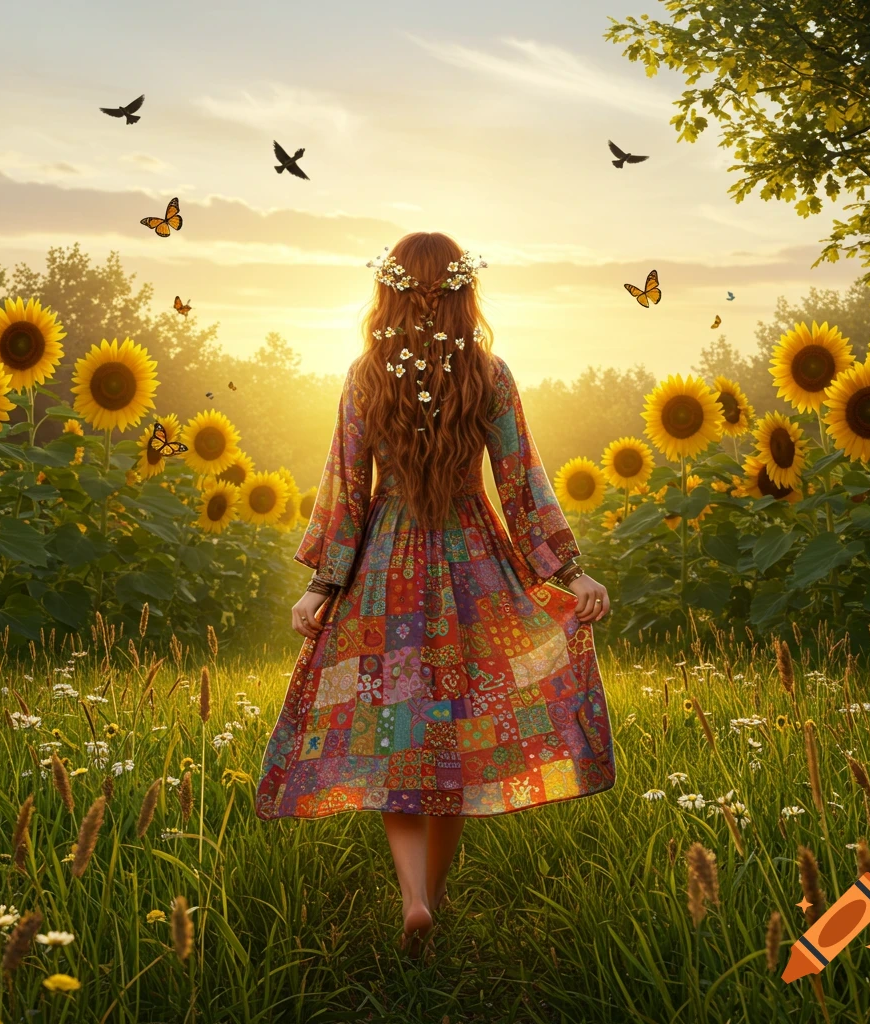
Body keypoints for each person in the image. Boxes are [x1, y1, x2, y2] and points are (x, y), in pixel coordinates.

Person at [255, 231, 615, 957]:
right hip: (472, 559)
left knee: (397, 738)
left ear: (390, 290)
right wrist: (569, 572)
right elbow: (521, 486)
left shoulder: (365, 375)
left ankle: (414, 896)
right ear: (461, 290)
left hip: (385, 571)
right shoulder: (489, 374)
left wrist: (323, 584)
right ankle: (435, 899)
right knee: (456, 737)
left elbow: (346, 491)